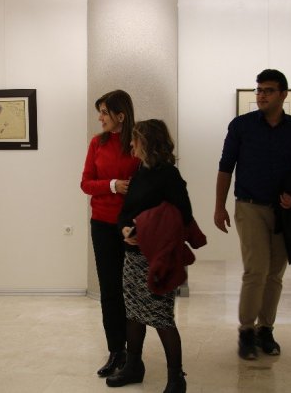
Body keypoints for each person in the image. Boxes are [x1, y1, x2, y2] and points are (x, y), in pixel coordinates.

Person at [214, 69, 291, 360]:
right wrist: (219, 206)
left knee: (275, 273)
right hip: (249, 207)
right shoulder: (241, 126)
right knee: (256, 269)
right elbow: (225, 167)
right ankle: (247, 331)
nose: (261, 95)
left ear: (283, 94)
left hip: (283, 212)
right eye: (259, 90)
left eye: (268, 90)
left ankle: (265, 329)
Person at [108, 119, 192, 393]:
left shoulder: (169, 175)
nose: (131, 144)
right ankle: (134, 366)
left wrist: (145, 227)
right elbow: (125, 212)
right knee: (133, 313)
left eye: (135, 140)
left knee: (161, 317)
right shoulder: (140, 171)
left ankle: (176, 378)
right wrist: (125, 229)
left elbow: (183, 215)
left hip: (158, 258)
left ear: (147, 143)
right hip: (133, 255)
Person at [81, 90, 140, 377]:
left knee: (133, 290)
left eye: (104, 112)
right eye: (100, 112)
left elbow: (149, 182)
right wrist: (113, 185)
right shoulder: (97, 143)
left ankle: (134, 354)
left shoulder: (137, 142)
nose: (100, 117)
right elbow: (86, 184)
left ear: (121, 115)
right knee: (110, 290)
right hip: (102, 225)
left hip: (133, 227)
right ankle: (116, 350)